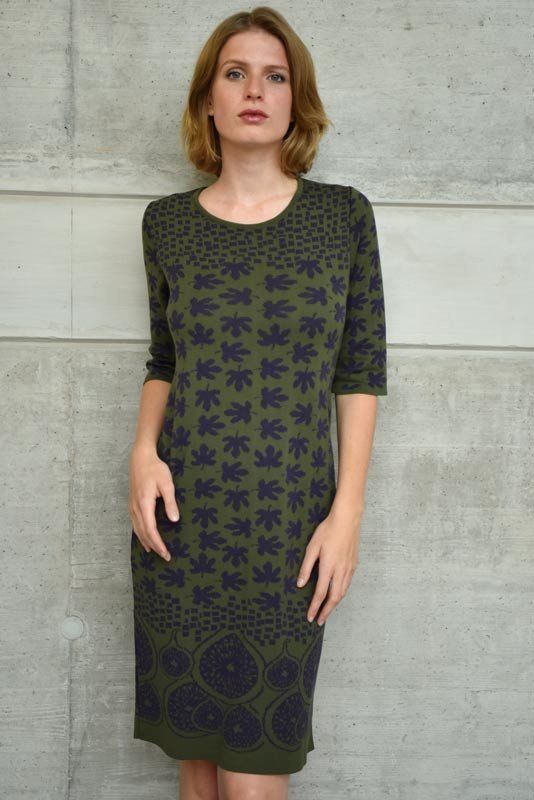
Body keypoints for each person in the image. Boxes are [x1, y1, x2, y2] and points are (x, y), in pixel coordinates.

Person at [128, 6, 388, 800]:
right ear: (208, 99)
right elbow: (165, 359)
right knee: (198, 767)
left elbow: (359, 370)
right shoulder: (167, 225)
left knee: (253, 775)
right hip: (181, 523)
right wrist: (142, 452)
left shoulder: (342, 216)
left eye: (275, 77)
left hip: (288, 529)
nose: (254, 91)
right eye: (235, 73)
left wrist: (346, 515)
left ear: (295, 100)